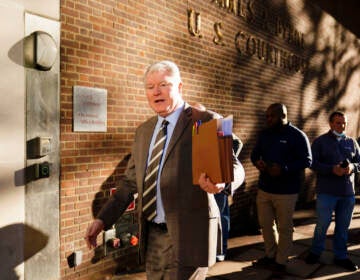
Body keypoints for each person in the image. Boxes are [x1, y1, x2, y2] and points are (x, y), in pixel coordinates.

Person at [85, 60, 244, 280]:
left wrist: (223, 182)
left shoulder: (205, 121)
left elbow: (235, 167)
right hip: (152, 236)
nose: (156, 92)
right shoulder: (143, 131)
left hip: (190, 235)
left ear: (179, 87)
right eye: (150, 87)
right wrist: (102, 220)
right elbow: (129, 183)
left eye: (163, 84)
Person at [250, 103, 312, 274]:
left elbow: (307, 160)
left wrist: (284, 168)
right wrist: (258, 163)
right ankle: (270, 256)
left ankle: (280, 261)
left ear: (283, 116)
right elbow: (255, 154)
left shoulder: (297, 136)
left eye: (271, 116)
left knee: (284, 227)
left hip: (286, 191)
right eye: (267, 116)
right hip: (264, 189)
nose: (268, 119)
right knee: (266, 225)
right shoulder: (264, 134)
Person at [305, 111, 360, 271]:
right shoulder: (320, 142)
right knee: (322, 225)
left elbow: (359, 163)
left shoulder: (352, 142)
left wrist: (352, 167)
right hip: (326, 192)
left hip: (347, 194)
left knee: (343, 228)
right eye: (338, 123)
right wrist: (331, 169)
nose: (341, 126)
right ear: (330, 124)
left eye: (344, 123)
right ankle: (315, 252)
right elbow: (312, 163)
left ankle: (341, 256)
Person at [192, 102, 245, 261]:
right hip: (202, 182)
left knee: (222, 215)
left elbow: (237, 144)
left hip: (218, 180)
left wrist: (225, 168)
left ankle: (221, 250)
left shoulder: (217, 126)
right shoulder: (194, 129)